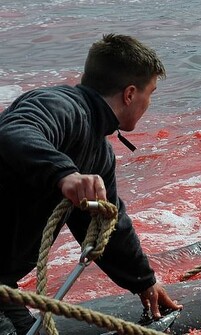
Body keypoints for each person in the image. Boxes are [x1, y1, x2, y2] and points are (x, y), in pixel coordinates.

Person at [0, 34, 183, 334]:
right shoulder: (59, 105)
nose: (148, 103)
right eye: (150, 93)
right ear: (130, 94)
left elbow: (108, 225)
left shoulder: (98, 152)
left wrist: (144, 281)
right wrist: (65, 175)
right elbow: (16, 130)